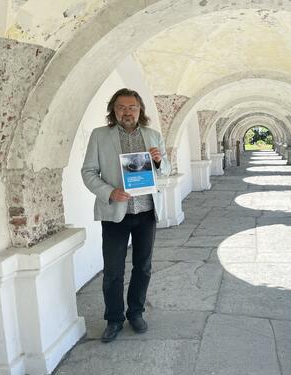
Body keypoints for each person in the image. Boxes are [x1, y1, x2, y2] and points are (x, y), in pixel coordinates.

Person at [82, 88, 170, 342]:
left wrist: (158, 162)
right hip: (115, 212)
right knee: (113, 270)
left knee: (143, 267)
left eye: (132, 107)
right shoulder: (100, 136)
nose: (127, 112)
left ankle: (136, 312)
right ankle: (114, 319)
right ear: (114, 110)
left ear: (140, 109)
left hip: (145, 212)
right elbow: (88, 172)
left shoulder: (153, 135)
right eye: (121, 107)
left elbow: (166, 170)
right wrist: (109, 192)